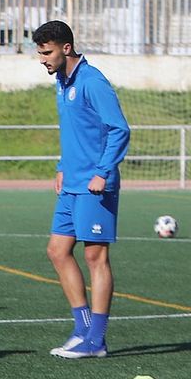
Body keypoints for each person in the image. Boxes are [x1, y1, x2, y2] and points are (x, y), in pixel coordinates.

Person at [32, 20, 129, 359]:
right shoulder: (61, 82)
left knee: (95, 256)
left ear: (66, 48)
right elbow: (76, 133)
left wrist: (103, 172)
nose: (42, 59)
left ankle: (97, 339)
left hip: (94, 185)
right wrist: (62, 166)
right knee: (57, 252)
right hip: (71, 183)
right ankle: (81, 329)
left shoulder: (92, 82)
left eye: (46, 52)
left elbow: (119, 130)